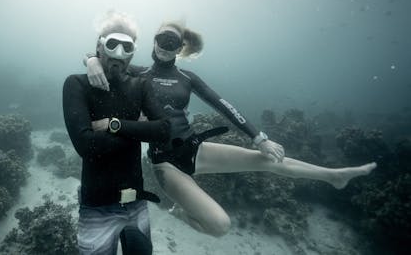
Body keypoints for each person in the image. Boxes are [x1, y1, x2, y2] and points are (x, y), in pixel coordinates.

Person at [85, 21, 377, 237]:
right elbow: (110, 61)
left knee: (268, 160)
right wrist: (91, 60)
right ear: (153, 41)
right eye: (161, 38)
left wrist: (258, 137)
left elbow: (222, 104)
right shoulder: (138, 72)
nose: (164, 45)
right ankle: (179, 212)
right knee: (220, 226)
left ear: (180, 48)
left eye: (172, 42)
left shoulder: (188, 77)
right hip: (165, 164)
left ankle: (333, 176)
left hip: (197, 148)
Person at [63, 11, 169, 254]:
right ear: (100, 46)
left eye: (126, 46)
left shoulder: (140, 85)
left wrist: (114, 124)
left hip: (137, 203)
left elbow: (164, 130)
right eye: (112, 45)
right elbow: (86, 146)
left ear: (133, 52)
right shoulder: (77, 85)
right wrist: (140, 129)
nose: (118, 54)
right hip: (96, 207)